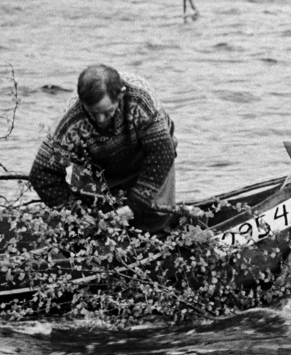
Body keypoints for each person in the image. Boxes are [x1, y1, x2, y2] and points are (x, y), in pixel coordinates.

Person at [29, 65, 184, 233]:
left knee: (154, 221)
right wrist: (77, 213)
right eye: (93, 113)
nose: (100, 120)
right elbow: (42, 173)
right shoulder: (71, 123)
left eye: (106, 112)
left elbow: (161, 153)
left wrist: (136, 204)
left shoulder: (140, 101)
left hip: (147, 159)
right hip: (97, 168)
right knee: (94, 230)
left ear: (121, 96)